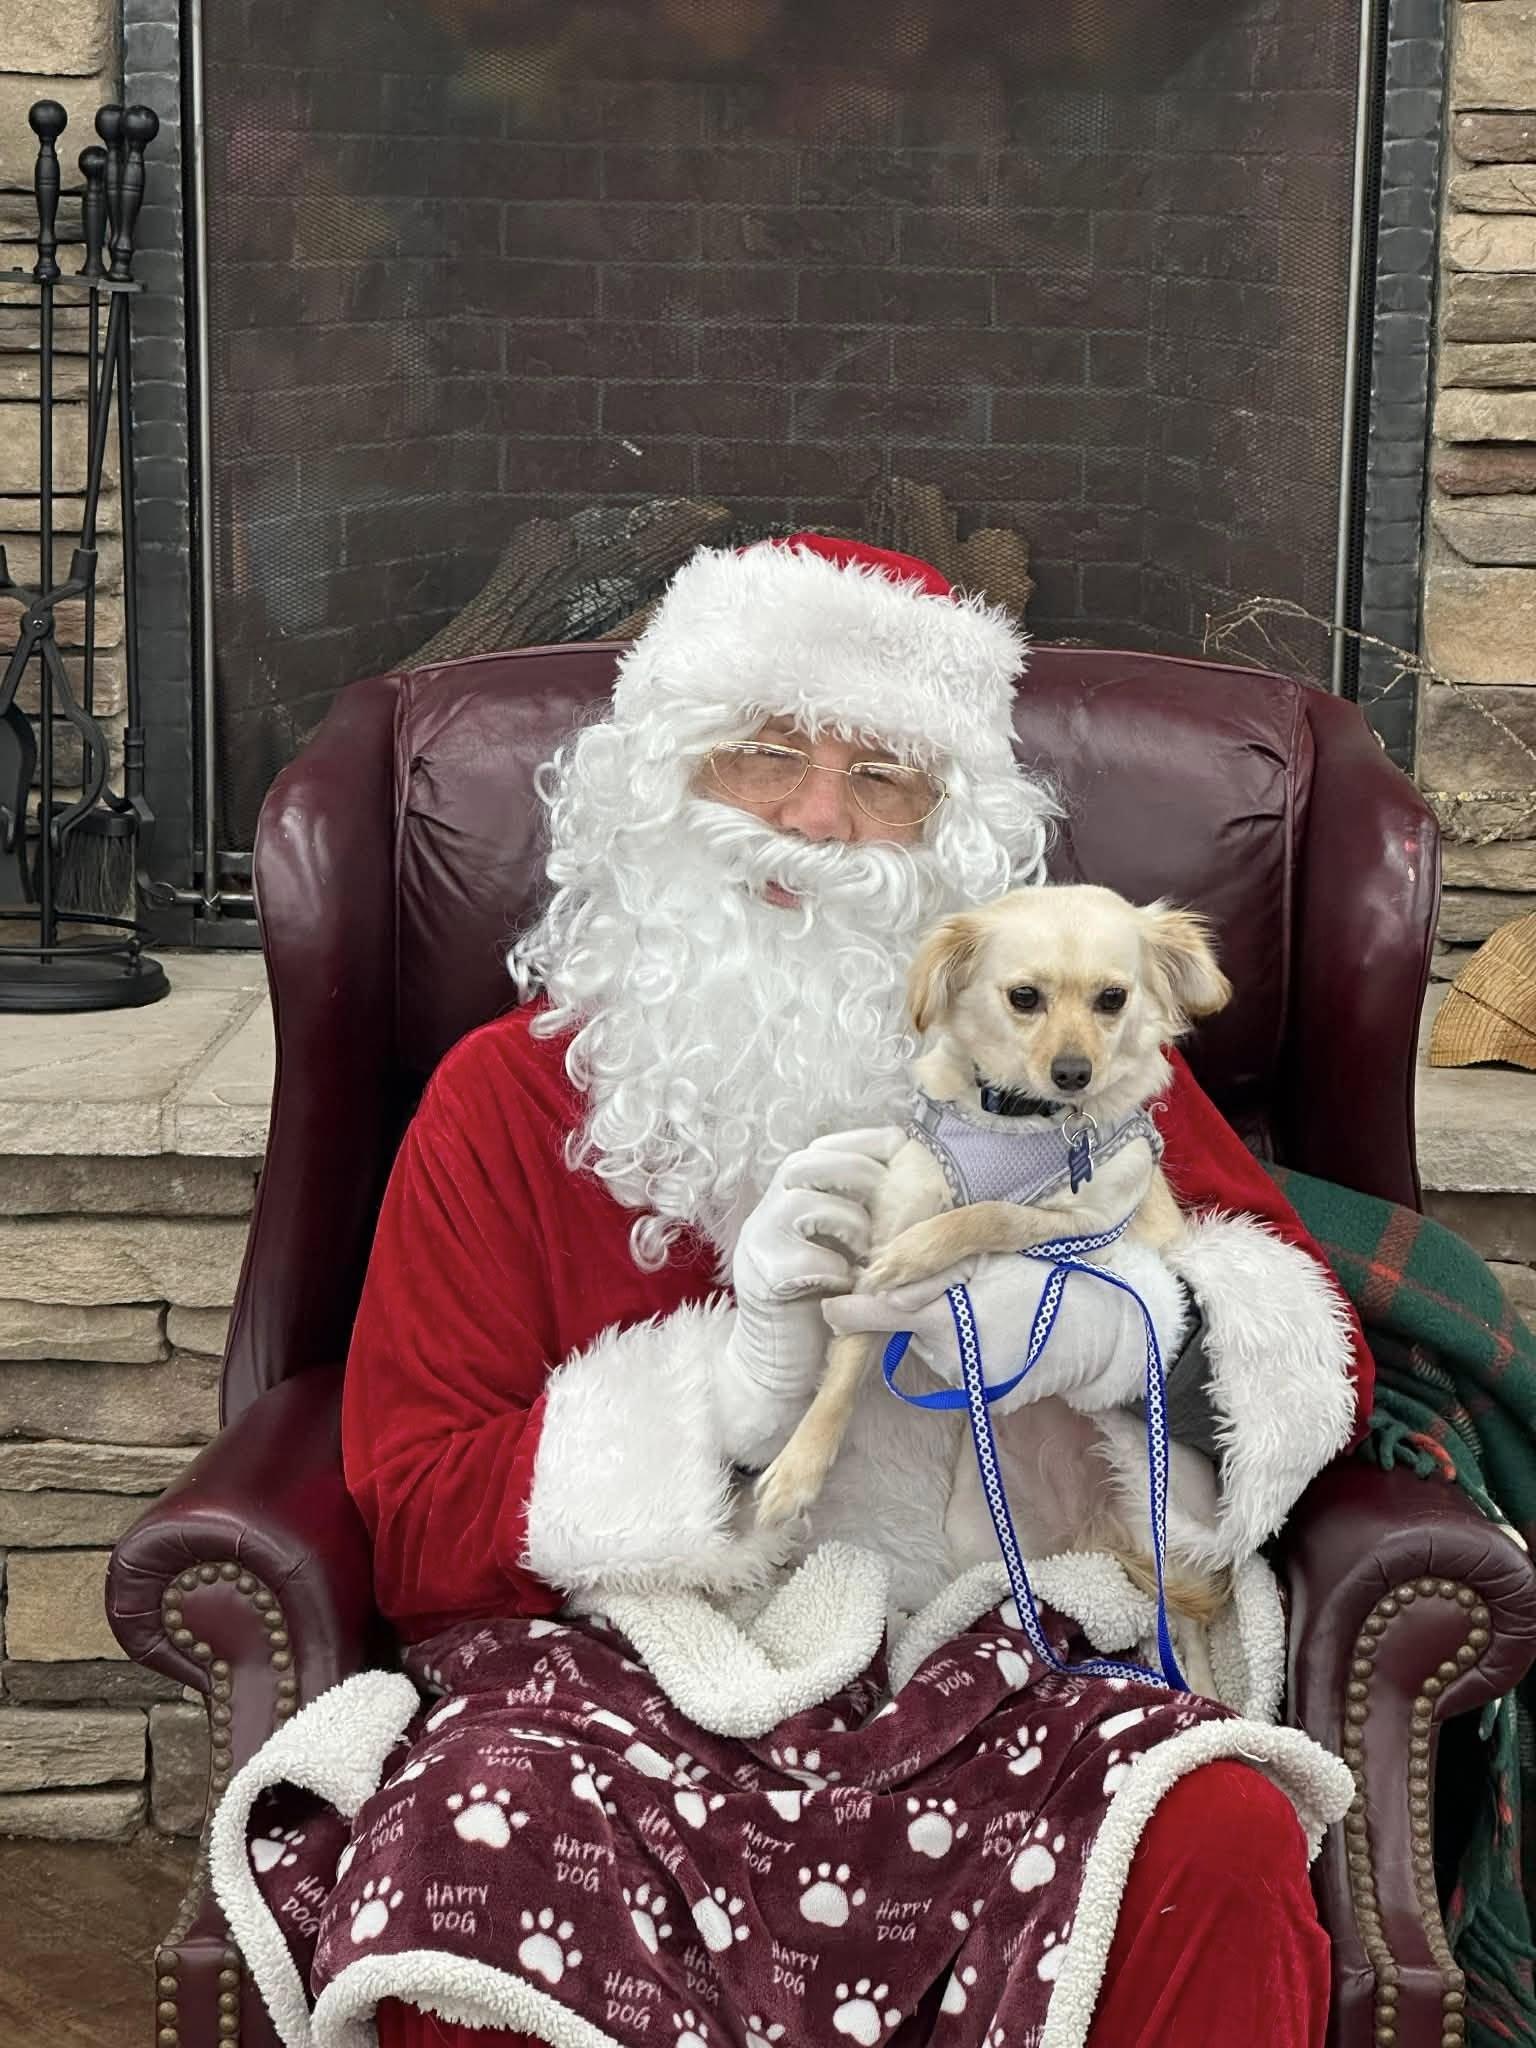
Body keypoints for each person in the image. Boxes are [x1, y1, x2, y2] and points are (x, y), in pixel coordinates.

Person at [236, 536, 1370, 2048]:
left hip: (1008, 1642)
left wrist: (1137, 1335)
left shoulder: (1071, 1066)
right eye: (763, 754)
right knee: (467, 1871)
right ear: (657, 783)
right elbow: (423, 1521)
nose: (817, 821)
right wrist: (733, 1391)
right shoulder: (500, 1102)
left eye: (885, 778)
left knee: (1213, 1839)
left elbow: (1313, 1349)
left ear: (958, 836)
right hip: (620, 1679)